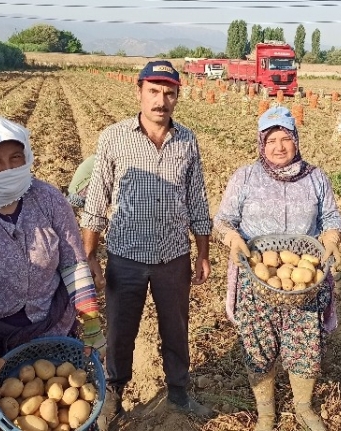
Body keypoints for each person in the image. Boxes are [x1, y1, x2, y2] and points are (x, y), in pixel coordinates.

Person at [0, 115, 106, 430]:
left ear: (27, 156)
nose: (8, 169)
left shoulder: (47, 198)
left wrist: (91, 323)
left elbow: (74, 264)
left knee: (65, 404)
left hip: (51, 328)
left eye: (16, 158)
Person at [80, 60, 214, 429]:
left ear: (177, 97)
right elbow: (97, 199)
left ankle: (178, 392)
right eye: (153, 91)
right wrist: (88, 254)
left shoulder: (187, 140)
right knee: (121, 330)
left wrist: (203, 252)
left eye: (169, 93)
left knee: (176, 328)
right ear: (139, 91)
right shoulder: (113, 137)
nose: (161, 100)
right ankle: (114, 395)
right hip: (125, 256)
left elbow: (198, 200)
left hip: (173, 254)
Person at [213, 106, 341, 431]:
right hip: (257, 278)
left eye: (286, 138)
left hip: (303, 281)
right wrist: (231, 238)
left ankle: (302, 405)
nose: (279, 147)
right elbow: (224, 220)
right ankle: (267, 412)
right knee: (258, 346)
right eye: (272, 140)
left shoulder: (316, 178)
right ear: (261, 143)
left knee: (305, 345)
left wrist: (330, 237)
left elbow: (331, 218)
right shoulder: (244, 177)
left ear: (296, 141)